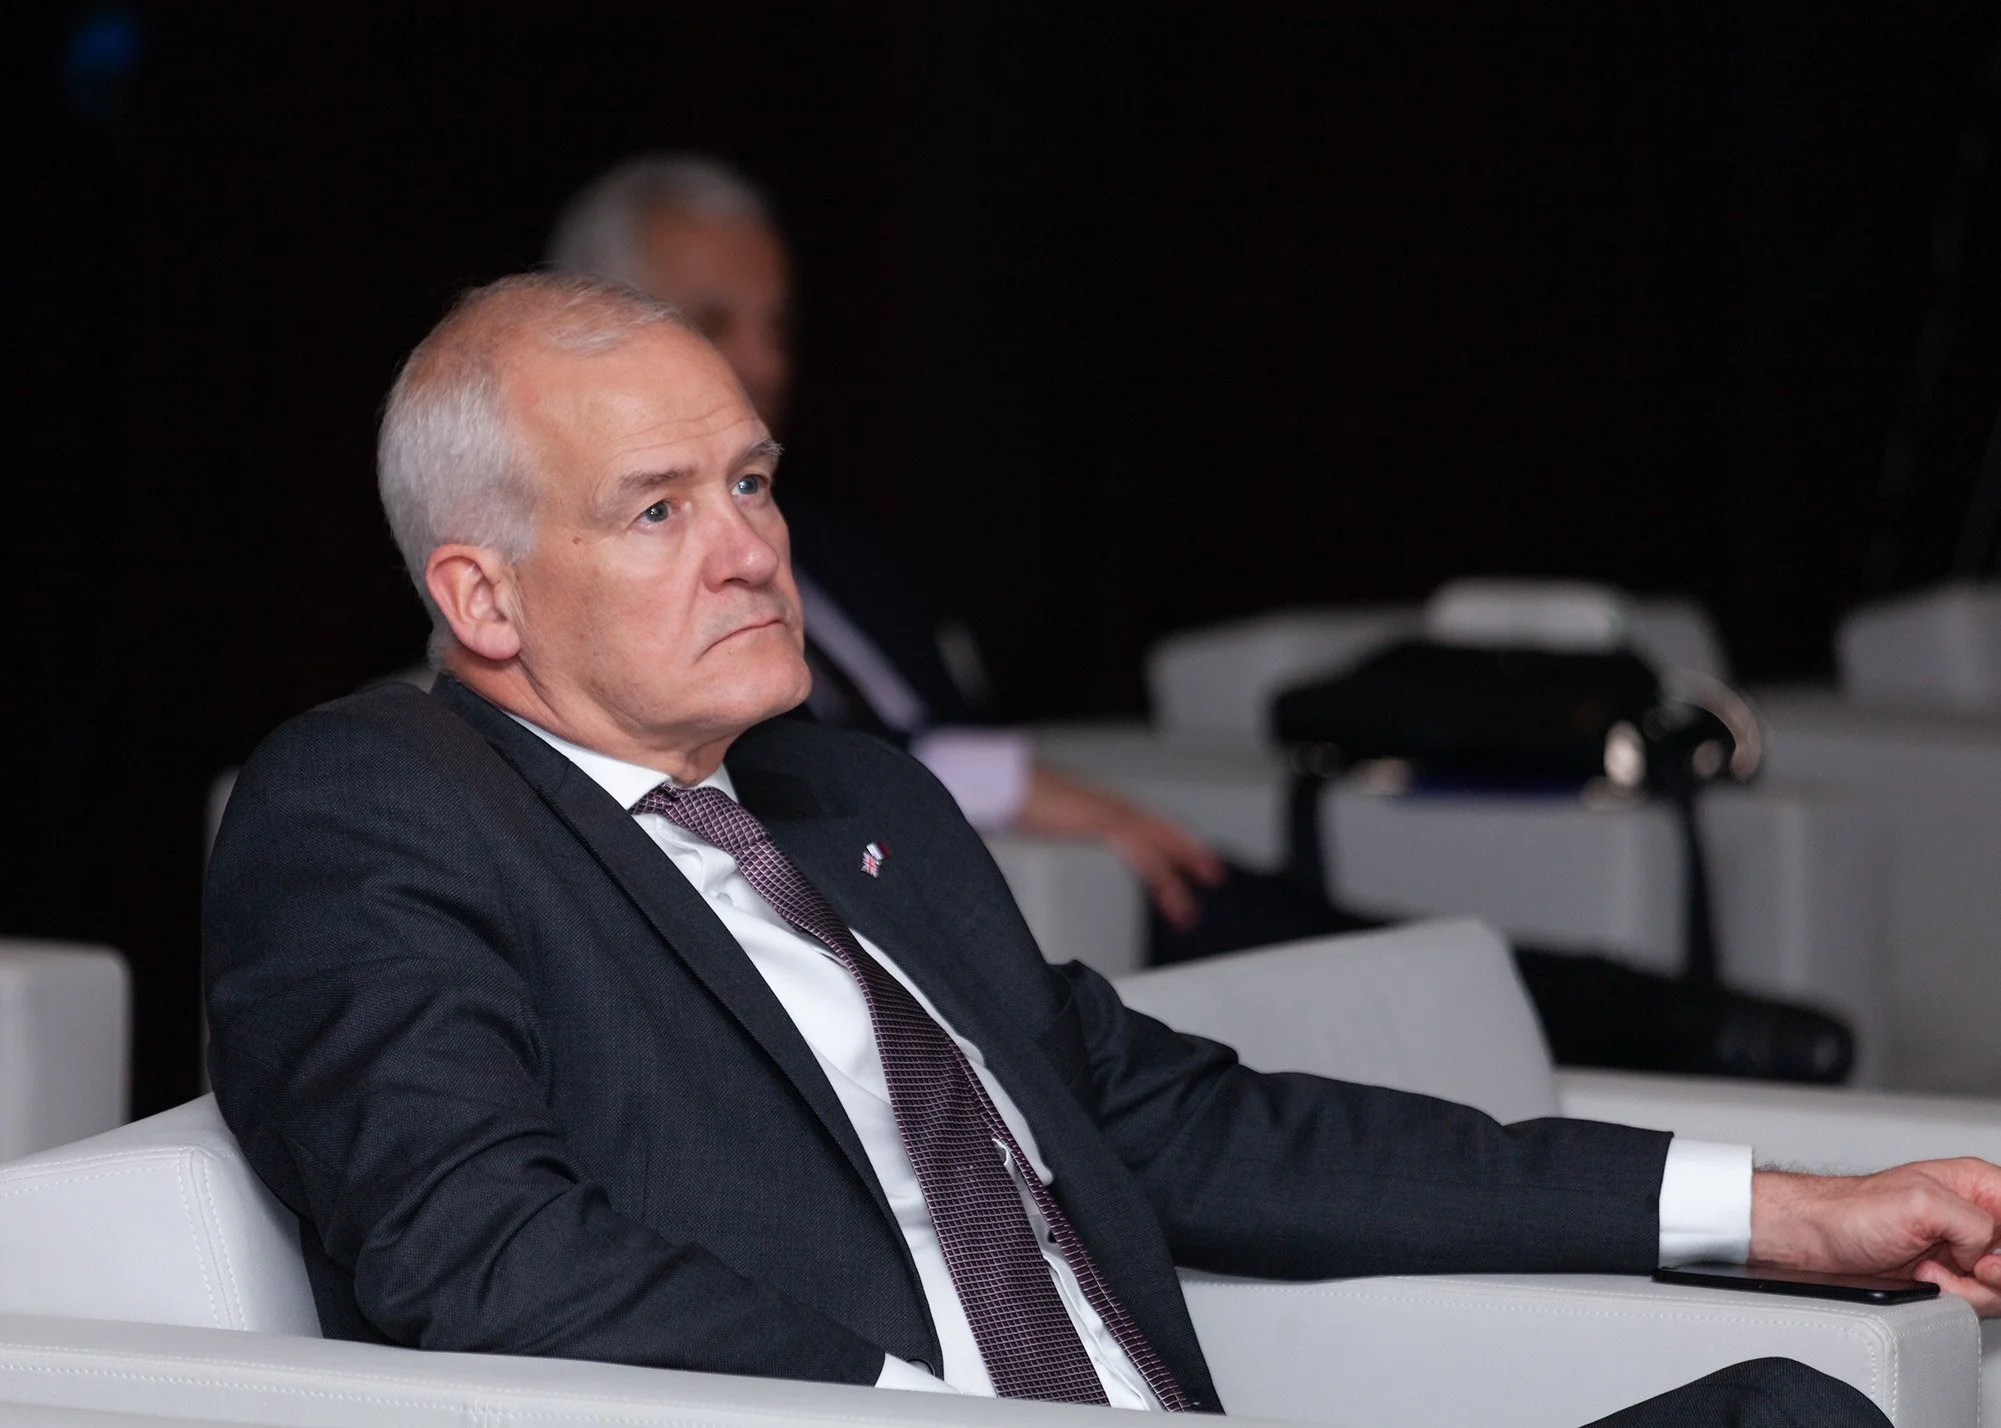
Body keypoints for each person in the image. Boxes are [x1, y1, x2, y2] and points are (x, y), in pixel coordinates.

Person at [207, 273, 2001, 1427]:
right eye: (658, 510)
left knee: (1784, 1417)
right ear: (483, 596)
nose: (752, 549)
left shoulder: (844, 795)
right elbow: (479, 1254)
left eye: (751, 483)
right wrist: (928, 1410)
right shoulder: (373, 803)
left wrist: (1781, 1215)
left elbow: (1174, 1118)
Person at [545, 153, 1854, 1084]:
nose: (761, 360)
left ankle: (1652, 1022)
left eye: (774, 324)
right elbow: (780, 755)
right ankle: (1656, 1028)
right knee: (1234, 921)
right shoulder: (582, 563)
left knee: (1306, 923)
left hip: (989, 863)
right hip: (914, 897)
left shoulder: (842, 549)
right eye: (717, 321)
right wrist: (1053, 798)